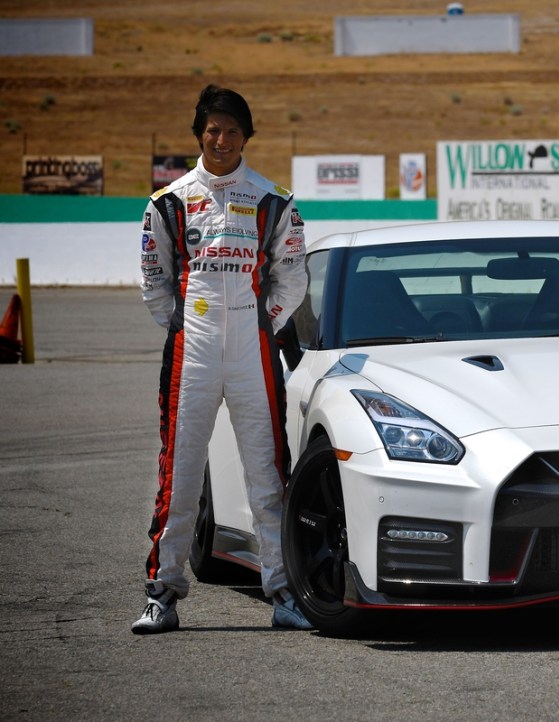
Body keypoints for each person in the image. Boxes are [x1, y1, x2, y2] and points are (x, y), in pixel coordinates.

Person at [134, 85, 310, 634]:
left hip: (254, 350)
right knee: (180, 473)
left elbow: (293, 277)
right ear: (199, 135)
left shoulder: (273, 199)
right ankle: (162, 593)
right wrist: (186, 325)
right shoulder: (169, 200)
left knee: (267, 472)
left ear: (246, 136)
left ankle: (283, 590)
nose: (222, 138)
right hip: (194, 348)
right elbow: (154, 280)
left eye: (233, 130)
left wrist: (265, 321)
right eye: (213, 129)